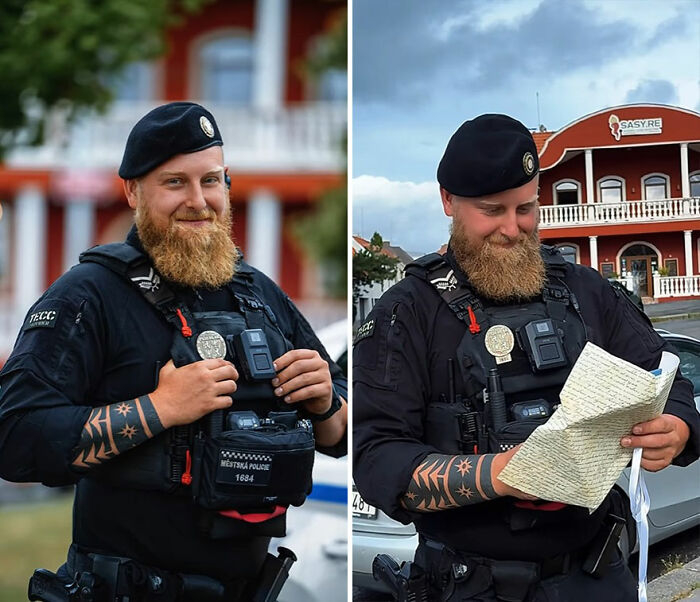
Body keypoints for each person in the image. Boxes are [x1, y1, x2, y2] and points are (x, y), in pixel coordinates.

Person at [0, 102, 347, 601]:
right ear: (133, 191)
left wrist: (325, 404)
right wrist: (160, 407)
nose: (198, 200)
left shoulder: (259, 295)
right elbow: (15, 437)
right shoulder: (88, 294)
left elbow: (341, 432)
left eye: (211, 181)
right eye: (174, 182)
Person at [353, 114, 699, 602]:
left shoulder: (585, 289)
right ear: (448, 201)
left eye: (526, 208)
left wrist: (679, 428)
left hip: (596, 577)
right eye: (492, 210)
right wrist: (507, 473)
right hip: (472, 586)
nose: (513, 229)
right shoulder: (406, 313)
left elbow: (665, 372)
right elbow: (375, 460)